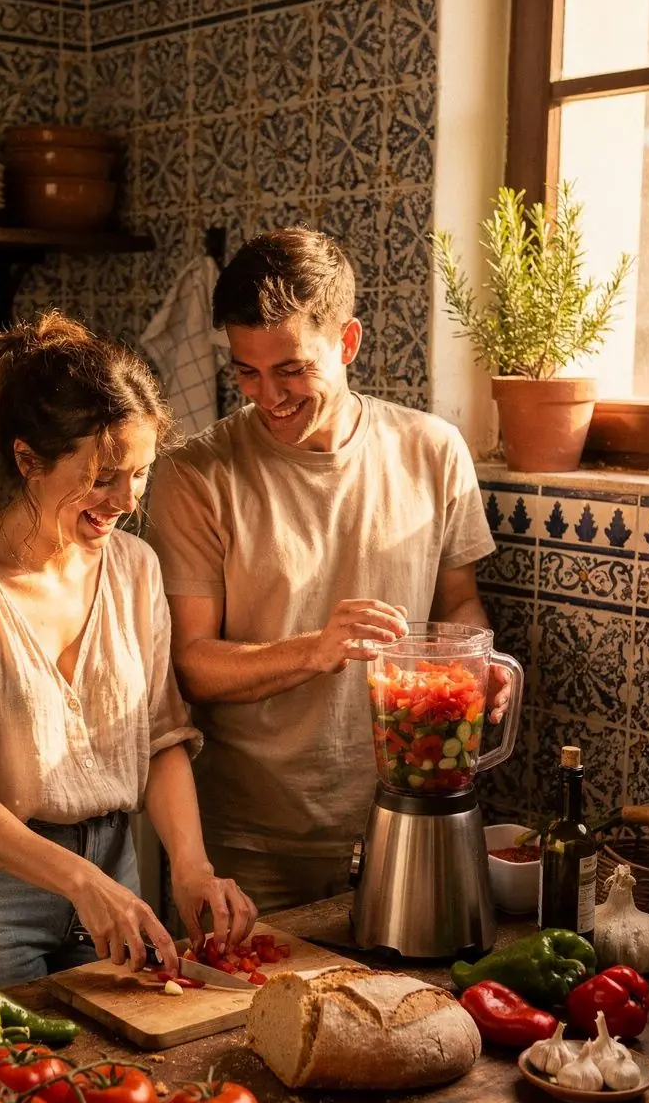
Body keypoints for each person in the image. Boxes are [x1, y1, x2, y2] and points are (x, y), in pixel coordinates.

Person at [0, 310, 255, 989]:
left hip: (113, 874)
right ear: (29, 460)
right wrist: (80, 881)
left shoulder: (135, 569)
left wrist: (193, 867)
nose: (127, 500)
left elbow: (160, 736)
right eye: (104, 477)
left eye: (140, 474)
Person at [146, 228, 506, 914]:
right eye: (246, 372)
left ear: (347, 343)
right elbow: (189, 666)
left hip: (406, 820)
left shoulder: (434, 450)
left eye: (291, 370)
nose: (268, 396)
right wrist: (314, 650)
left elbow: (458, 603)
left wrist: (479, 663)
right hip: (250, 843)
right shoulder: (195, 474)